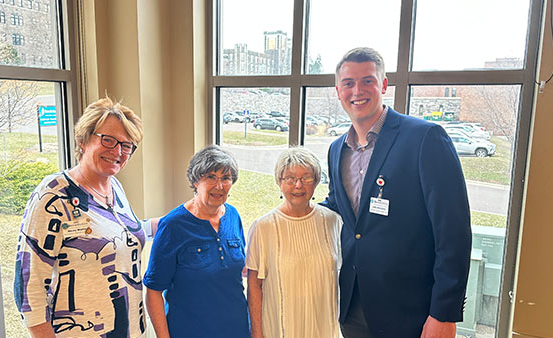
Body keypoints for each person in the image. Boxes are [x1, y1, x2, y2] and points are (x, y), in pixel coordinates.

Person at [322, 47, 472, 338]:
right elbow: (339, 208)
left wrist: (444, 312)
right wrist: (290, 213)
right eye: (349, 83)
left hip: (411, 311)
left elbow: (453, 232)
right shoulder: (336, 149)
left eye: (368, 81)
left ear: (384, 85)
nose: (358, 90)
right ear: (338, 91)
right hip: (353, 305)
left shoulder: (425, 138)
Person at [13, 97, 154, 337]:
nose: (117, 151)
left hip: (130, 329)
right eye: (108, 140)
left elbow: (121, 233)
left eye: (126, 145)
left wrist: (181, 218)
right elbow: (29, 287)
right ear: (83, 139)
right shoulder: (54, 195)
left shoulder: (114, 187)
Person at [143, 145, 250, 338]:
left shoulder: (233, 216)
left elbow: (241, 268)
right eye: (211, 177)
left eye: (226, 178)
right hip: (189, 330)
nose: (219, 186)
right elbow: (153, 291)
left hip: (237, 329)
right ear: (195, 180)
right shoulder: (173, 226)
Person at [246, 147, 342, 338]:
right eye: (290, 178)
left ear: (315, 182)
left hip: (323, 327)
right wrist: (257, 333)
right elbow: (254, 287)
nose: (298, 185)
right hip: (281, 329)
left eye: (306, 178)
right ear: (279, 182)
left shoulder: (333, 222)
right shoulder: (263, 227)